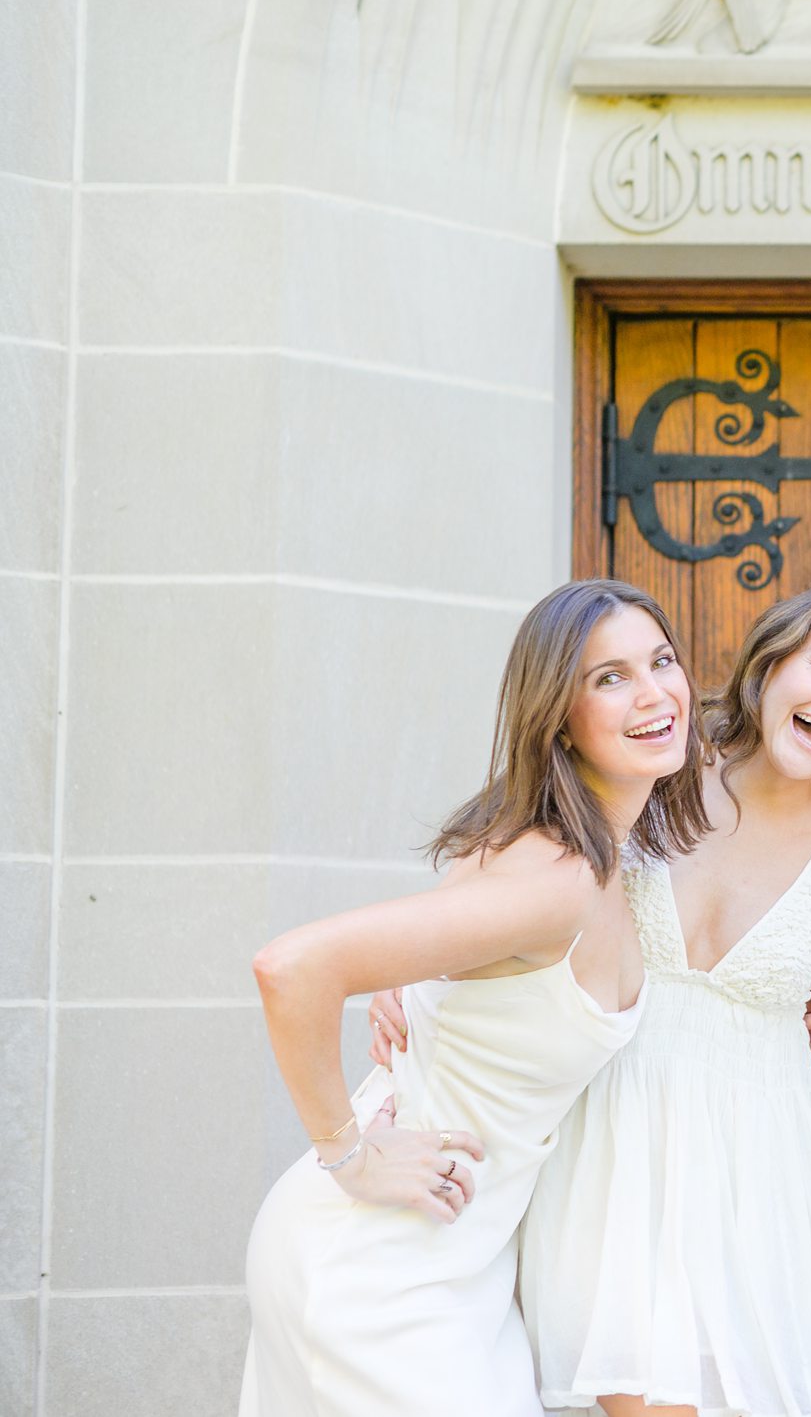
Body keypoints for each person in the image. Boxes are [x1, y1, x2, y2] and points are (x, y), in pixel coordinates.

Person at [368, 585, 811, 1417]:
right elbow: (504, 868)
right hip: (605, 1156)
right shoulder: (648, 774)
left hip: (767, 1181)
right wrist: (412, 972)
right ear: (770, 661)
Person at [240, 578, 705, 1417]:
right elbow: (294, 965)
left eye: (662, 660)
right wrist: (350, 1153)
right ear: (557, 712)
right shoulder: (558, 876)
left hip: (463, 1263)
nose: (654, 693)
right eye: (610, 676)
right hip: (379, 1264)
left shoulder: (598, 856)